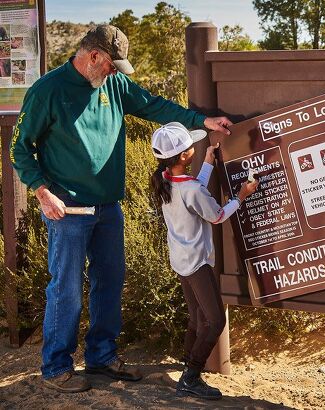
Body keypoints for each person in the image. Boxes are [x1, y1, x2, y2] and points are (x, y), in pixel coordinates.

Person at [10, 25, 233, 393]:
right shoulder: (47, 91)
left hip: (109, 206)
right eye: (112, 65)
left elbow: (152, 105)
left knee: (110, 282)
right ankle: (56, 369)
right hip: (68, 210)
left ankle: (101, 356)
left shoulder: (113, 84)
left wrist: (200, 121)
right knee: (65, 287)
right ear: (94, 56)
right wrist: (42, 192)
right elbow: (20, 148)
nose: (115, 73)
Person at [149, 123, 257, 400]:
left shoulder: (165, 179)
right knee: (215, 321)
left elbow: (194, 189)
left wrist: (207, 163)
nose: (195, 149)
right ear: (184, 156)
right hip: (198, 262)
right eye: (190, 148)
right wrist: (241, 197)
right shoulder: (191, 189)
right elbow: (217, 215)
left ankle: (188, 361)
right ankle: (191, 377)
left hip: (181, 259)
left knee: (197, 319)